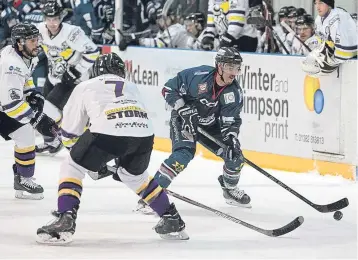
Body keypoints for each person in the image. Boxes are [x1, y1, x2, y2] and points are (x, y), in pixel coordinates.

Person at [36, 53, 188, 244]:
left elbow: (70, 131)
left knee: (72, 167)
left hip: (108, 131)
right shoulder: (131, 86)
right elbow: (131, 122)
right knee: (134, 176)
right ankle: (171, 217)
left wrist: (81, 155)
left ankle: (66, 217)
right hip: (144, 136)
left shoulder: (85, 86)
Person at [136, 47, 250, 214]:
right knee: (182, 155)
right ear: (219, 66)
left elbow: (230, 120)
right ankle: (152, 196)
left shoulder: (234, 92)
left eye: (237, 67)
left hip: (209, 125)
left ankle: (229, 189)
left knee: (235, 157)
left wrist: (231, 138)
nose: (234, 73)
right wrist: (182, 108)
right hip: (184, 121)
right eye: (229, 67)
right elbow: (168, 89)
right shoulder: (198, 76)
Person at [0, 23, 57, 199]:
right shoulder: (11, 64)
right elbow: (11, 104)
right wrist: (37, 119)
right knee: (27, 128)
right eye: (32, 40)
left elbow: (25, 80)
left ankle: (23, 179)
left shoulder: (26, 54)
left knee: (25, 134)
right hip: (5, 104)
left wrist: (32, 92)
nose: (37, 43)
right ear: (19, 42)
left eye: (37, 39)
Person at [302, 0, 357, 76]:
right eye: (316, 3)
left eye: (321, 3)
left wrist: (330, 61)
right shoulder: (318, 19)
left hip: (352, 65)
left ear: (329, 4)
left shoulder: (338, 20)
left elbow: (347, 53)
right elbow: (322, 43)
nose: (317, 7)